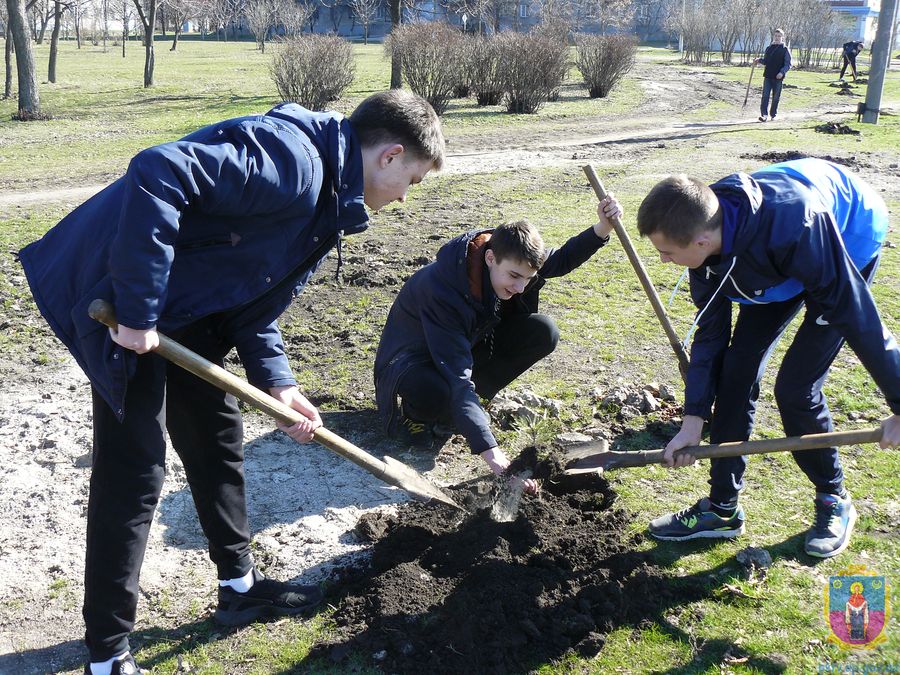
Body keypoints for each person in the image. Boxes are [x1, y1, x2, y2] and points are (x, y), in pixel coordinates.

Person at [18, 89, 444, 675]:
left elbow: (256, 293)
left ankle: (238, 588)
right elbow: (158, 170)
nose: (403, 197)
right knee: (135, 471)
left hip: (187, 307)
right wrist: (139, 312)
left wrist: (278, 383)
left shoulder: (329, 196)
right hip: (116, 296)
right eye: (412, 181)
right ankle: (107, 656)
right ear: (391, 155)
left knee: (216, 434)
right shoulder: (294, 161)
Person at [634, 158, 900, 559]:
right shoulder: (705, 244)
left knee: (795, 387)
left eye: (667, 253)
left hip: (845, 236)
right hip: (764, 263)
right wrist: (693, 420)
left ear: (701, 242)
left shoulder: (795, 226)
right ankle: (723, 509)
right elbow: (711, 338)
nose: (663, 261)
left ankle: (834, 498)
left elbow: (856, 315)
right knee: (736, 375)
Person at [374, 198, 622, 492]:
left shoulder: (515, 260)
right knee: (439, 391)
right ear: (490, 258)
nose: (520, 288)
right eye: (514, 277)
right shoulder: (441, 290)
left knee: (542, 331)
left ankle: (461, 414)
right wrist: (495, 458)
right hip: (412, 363)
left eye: (527, 279)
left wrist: (603, 227)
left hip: (464, 345)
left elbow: (563, 259)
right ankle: (417, 419)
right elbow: (457, 375)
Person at [754, 28, 792, 122]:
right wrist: (758, 60)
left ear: (782, 37)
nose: (777, 38)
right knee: (765, 96)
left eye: (779, 36)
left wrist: (782, 72)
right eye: (776, 36)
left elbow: (788, 64)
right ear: (773, 36)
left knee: (775, 97)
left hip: (778, 77)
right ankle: (764, 115)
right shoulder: (769, 48)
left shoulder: (785, 49)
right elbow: (766, 61)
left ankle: (773, 115)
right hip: (768, 76)